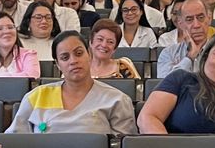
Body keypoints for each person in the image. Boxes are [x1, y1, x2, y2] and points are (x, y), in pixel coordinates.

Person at [7, 32, 136, 135]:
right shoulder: (36, 96)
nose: (73, 61)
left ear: (89, 55)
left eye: (79, 53)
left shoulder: (117, 100)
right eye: (65, 57)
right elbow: (17, 143)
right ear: (58, 65)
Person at [156, 0, 213, 80]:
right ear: (180, 23)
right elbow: (165, 84)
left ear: (209, 19)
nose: (196, 25)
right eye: (189, 20)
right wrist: (189, 57)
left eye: (201, 17)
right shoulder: (169, 53)